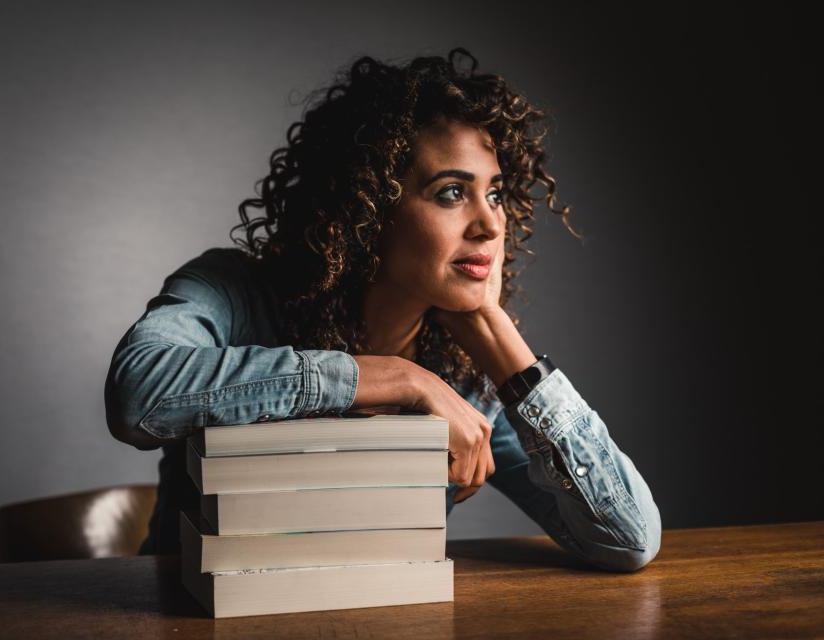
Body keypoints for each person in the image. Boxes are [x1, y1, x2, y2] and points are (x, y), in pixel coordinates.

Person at [104, 48, 661, 572]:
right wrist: (395, 378)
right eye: (450, 192)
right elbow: (137, 395)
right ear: (365, 208)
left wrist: (495, 332)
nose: (491, 224)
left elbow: (627, 540)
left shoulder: (466, 377)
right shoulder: (234, 291)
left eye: (494, 194)